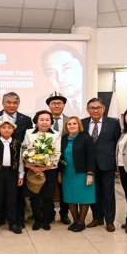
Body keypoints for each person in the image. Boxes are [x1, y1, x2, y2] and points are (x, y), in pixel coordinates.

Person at [0, 92, 32, 228]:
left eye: (15, 103)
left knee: (15, 197)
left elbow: (26, 141)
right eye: (9, 102)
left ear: (18, 104)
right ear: (3, 103)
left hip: (16, 165)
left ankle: (16, 221)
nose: (12, 105)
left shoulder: (26, 119)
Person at [82, 98, 122, 232]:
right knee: (94, 192)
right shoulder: (83, 123)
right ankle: (97, 218)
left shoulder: (113, 123)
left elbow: (118, 143)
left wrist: (117, 163)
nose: (95, 110)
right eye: (92, 108)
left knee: (108, 193)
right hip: (88, 164)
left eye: (98, 107)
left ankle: (109, 221)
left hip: (107, 163)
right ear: (87, 110)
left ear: (103, 109)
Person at [0, 115, 25, 235]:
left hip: (12, 174)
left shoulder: (18, 144)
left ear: (13, 129)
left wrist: (21, 175)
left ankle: (13, 223)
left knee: (12, 199)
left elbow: (20, 161)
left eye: (9, 127)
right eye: (3, 127)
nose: (6, 130)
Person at [23, 110, 62, 231]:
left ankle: (46, 220)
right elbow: (24, 149)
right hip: (32, 169)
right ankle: (37, 220)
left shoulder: (56, 134)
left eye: (47, 120)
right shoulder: (29, 132)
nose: (44, 122)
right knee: (34, 195)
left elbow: (57, 152)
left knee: (47, 196)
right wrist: (31, 166)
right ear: (36, 121)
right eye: (41, 119)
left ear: (51, 122)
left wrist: (46, 167)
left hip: (49, 169)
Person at [58, 116, 95, 232]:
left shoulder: (86, 138)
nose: (72, 126)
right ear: (66, 126)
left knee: (84, 198)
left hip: (82, 173)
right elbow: (59, 156)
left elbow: (91, 156)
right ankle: (75, 221)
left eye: (74, 124)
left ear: (79, 125)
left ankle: (81, 222)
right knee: (70, 197)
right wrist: (59, 173)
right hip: (67, 173)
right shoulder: (63, 139)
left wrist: (90, 174)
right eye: (69, 124)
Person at [35, 43, 85, 116]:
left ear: (82, 67)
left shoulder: (93, 99)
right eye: (52, 73)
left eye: (66, 68)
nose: (60, 79)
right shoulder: (42, 102)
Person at [46, 91, 71, 225]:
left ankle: (64, 213)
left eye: (59, 103)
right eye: (53, 103)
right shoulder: (44, 120)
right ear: (49, 106)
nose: (56, 105)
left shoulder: (69, 121)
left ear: (64, 105)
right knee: (49, 187)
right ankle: (50, 213)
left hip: (65, 160)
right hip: (47, 160)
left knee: (64, 188)